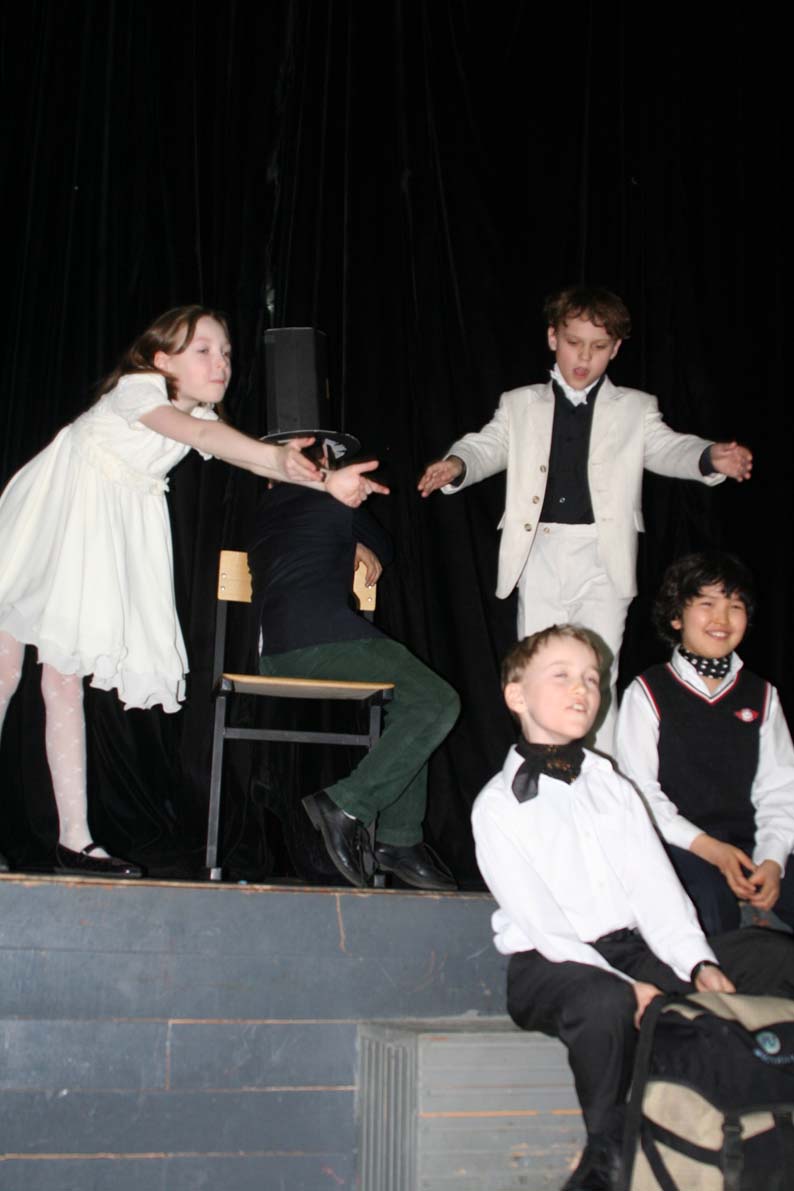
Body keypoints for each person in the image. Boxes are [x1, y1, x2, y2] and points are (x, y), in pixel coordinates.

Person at [0, 305, 387, 877]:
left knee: (62, 680)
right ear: (162, 361)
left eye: (226, 352)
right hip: (50, 517)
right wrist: (278, 457)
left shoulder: (197, 411)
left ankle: (75, 841)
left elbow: (241, 454)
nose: (221, 362)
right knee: (5, 668)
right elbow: (206, 436)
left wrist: (326, 479)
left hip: (99, 531)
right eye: (202, 350)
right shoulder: (138, 390)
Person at [471, 624, 794, 1190]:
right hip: (553, 962)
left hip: (635, 949)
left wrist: (697, 963)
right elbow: (544, 925)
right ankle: (608, 1157)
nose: (583, 689)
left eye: (592, 678)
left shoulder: (612, 785)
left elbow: (655, 890)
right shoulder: (496, 805)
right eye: (563, 675)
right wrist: (629, 985)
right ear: (516, 695)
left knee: (770, 957)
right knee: (606, 1000)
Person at [418, 286, 752, 750]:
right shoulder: (520, 403)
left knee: (597, 672)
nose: (584, 357)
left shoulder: (635, 407)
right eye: (575, 342)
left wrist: (709, 456)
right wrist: (457, 464)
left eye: (598, 347)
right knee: (540, 668)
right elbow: (488, 445)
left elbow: (668, 448)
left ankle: (602, 777)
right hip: (540, 553)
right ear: (553, 338)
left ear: (615, 349)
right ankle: (542, 768)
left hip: (602, 556)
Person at [249, 439, 460, 890]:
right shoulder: (335, 499)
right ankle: (346, 805)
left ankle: (400, 839)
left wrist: (351, 540)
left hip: (275, 653)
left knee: (413, 701)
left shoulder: (265, 508)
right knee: (437, 701)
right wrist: (361, 540)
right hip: (319, 641)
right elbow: (386, 547)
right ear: (325, 465)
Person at [616, 551, 794, 935]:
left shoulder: (763, 695)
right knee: (709, 907)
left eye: (735, 606)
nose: (722, 618)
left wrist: (772, 860)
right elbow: (640, 795)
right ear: (676, 616)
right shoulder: (647, 692)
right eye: (707, 604)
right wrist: (710, 850)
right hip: (677, 843)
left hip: (747, 843)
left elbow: (780, 790)